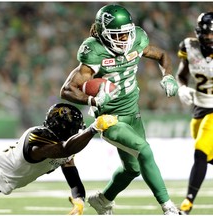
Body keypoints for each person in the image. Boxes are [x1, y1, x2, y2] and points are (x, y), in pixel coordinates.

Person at [60, 4, 179, 215]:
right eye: (118, 35)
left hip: (133, 112)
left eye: (127, 33)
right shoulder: (94, 51)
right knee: (145, 151)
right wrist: (93, 101)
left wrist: (168, 75)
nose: (124, 39)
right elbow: (67, 90)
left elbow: (162, 55)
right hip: (109, 119)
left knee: (132, 169)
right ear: (104, 34)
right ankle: (168, 207)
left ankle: (103, 200)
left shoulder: (137, 40)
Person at [0, 102, 118, 214]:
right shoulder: (39, 138)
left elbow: (74, 179)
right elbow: (63, 150)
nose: (78, 130)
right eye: (75, 127)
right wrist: (94, 128)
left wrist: (79, 201)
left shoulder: (63, 148)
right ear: (63, 127)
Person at [176, 12, 213, 215]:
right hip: (199, 107)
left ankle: (187, 203)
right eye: (206, 34)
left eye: (212, 34)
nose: (209, 38)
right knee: (208, 157)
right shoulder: (189, 46)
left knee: (200, 151)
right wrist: (182, 87)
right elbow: (182, 74)